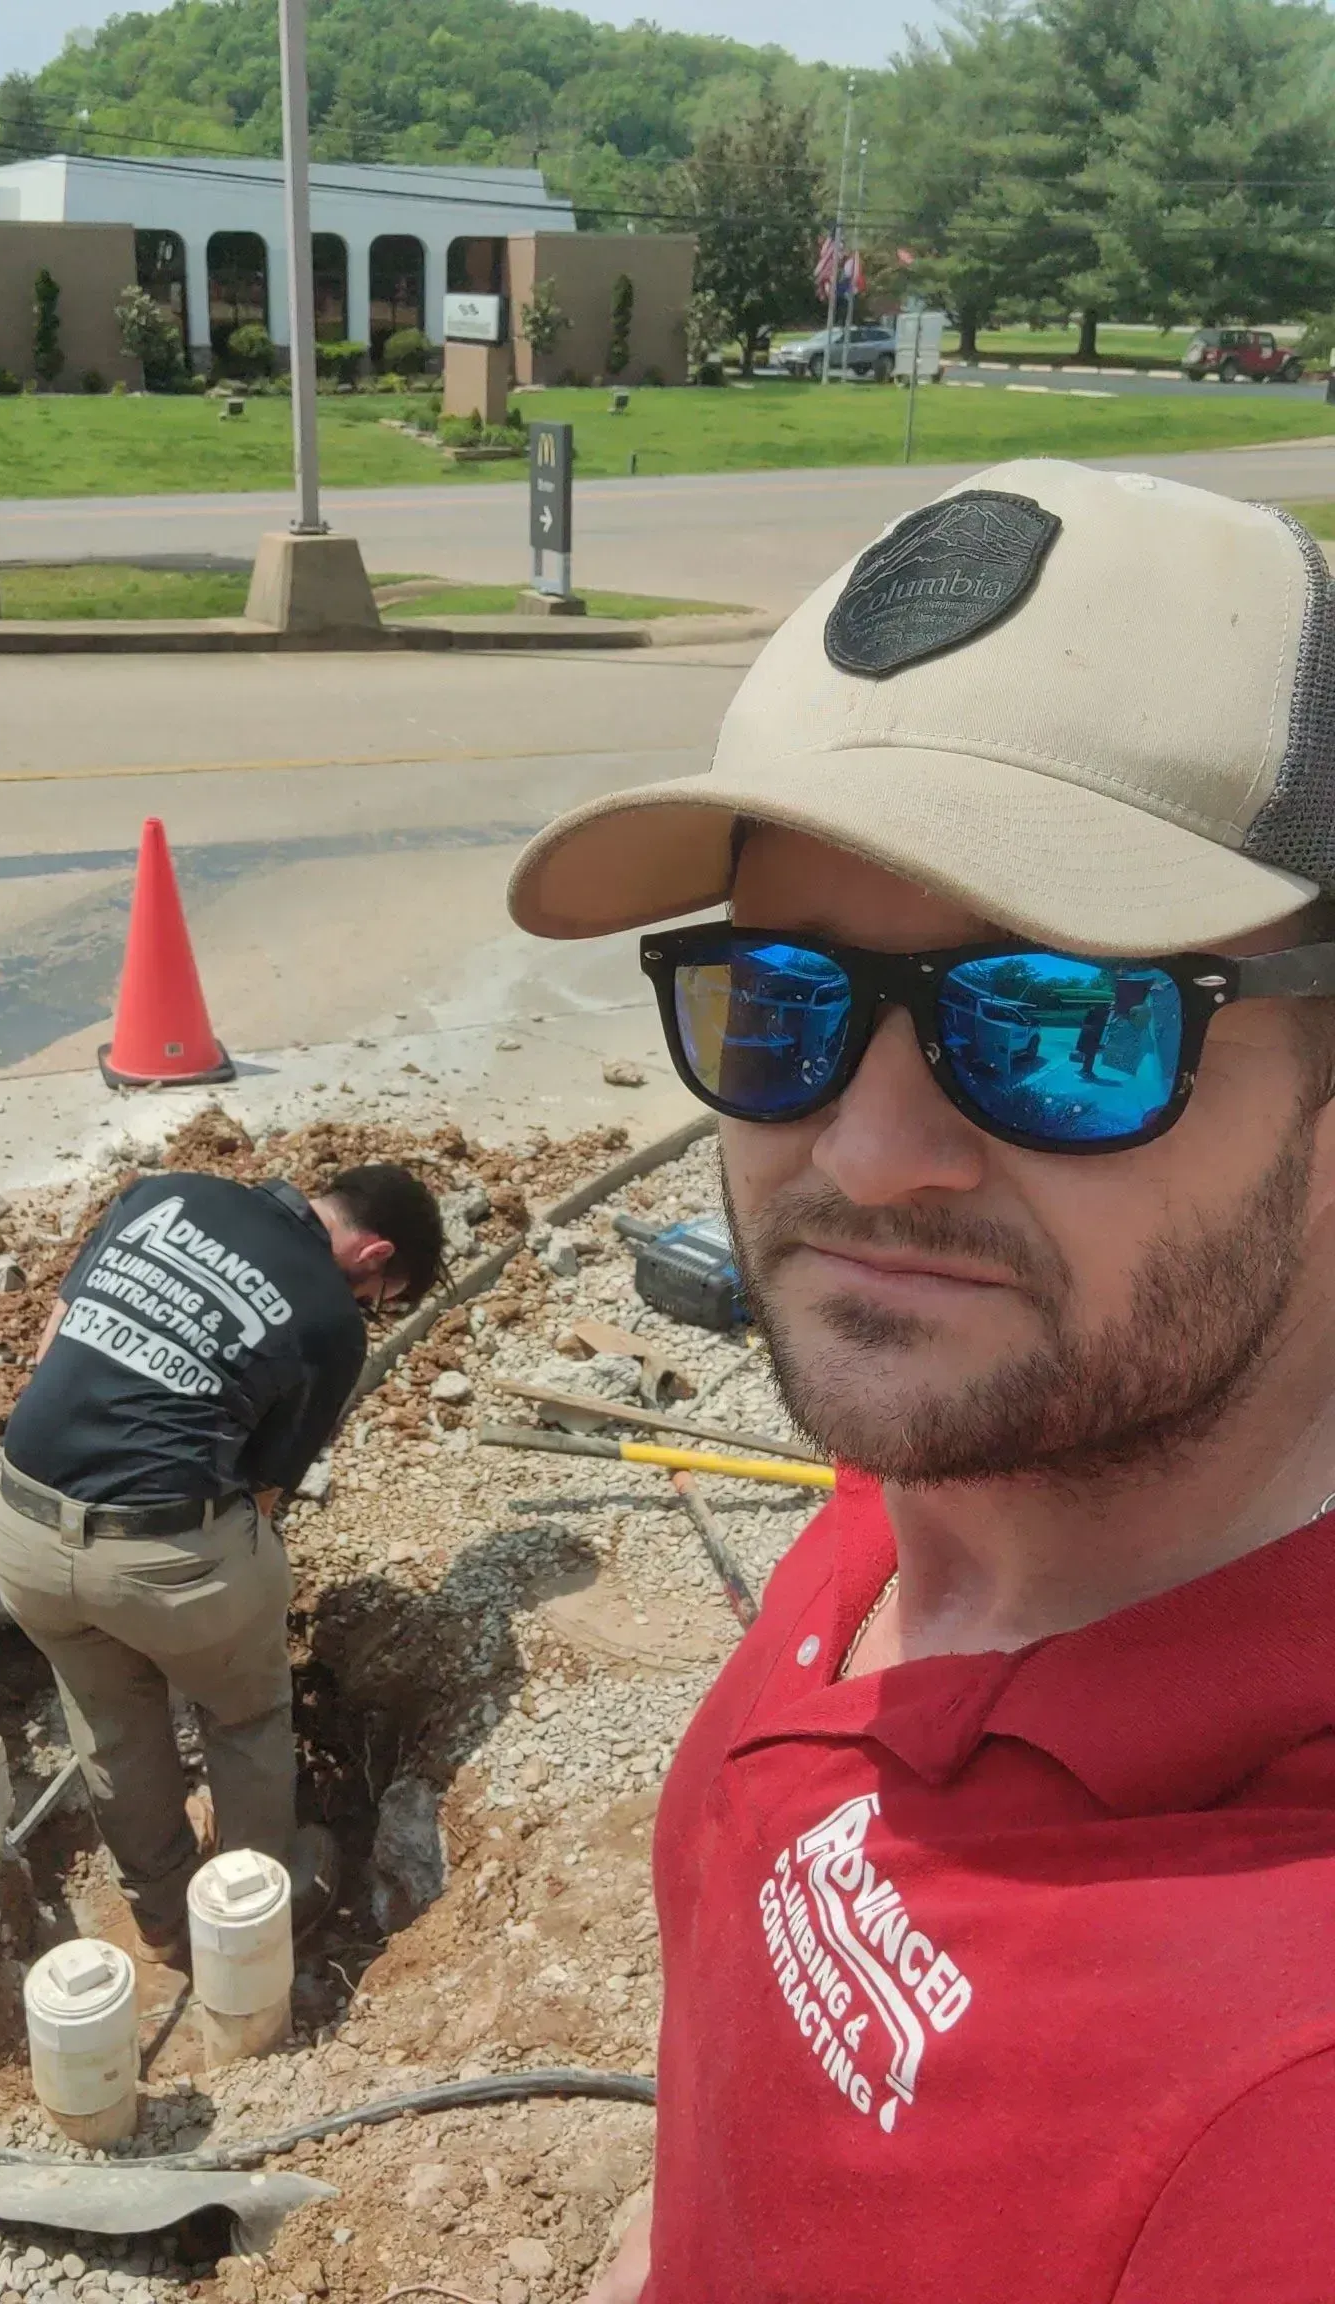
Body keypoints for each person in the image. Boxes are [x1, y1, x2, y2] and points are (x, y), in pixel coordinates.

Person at [508, 459, 1335, 2302]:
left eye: (1060, 1023)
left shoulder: (1282, 2103)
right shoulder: (978, 1451)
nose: (868, 1158)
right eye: (781, 999)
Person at [0, 1160, 445, 1964]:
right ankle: (252, 1913)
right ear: (374, 1256)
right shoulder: (330, 1318)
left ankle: (161, 1915)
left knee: (112, 1724)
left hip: (20, 1527)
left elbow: (52, 1340)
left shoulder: (165, 1193)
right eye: (381, 1299)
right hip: (164, 1554)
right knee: (245, 1713)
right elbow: (262, 1493)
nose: (368, 1312)